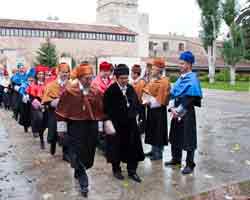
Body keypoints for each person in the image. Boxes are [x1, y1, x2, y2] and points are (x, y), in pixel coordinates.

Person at [55, 63, 103, 197]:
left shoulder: (96, 91)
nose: (89, 80)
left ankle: (79, 169)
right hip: (75, 127)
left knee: (88, 154)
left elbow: (100, 111)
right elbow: (61, 112)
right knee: (76, 152)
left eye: (91, 77)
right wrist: (61, 130)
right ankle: (84, 182)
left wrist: (100, 128)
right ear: (80, 78)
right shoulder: (70, 92)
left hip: (91, 127)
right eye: (86, 78)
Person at [103, 64, 145, 183]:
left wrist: (137, 115)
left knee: (133, 149)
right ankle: (116, 170)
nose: (125, 80)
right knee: (116, 149)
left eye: (126, 78)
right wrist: (107, 123)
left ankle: (132, 171)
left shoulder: (130, 88)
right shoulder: (110, 91)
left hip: (131, 125)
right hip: (117, 125)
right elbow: (105, 109)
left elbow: (136, 104)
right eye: (122, 78)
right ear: (116, 78)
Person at [164, 51, 203, 175]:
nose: (180, 65)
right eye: (179, 63)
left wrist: (180, 109)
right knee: (175, 135)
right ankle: (176, 159)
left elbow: (191, 98)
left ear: (189, 64)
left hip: (187, 111)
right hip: (176, 110)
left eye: (182, 63)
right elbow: (174, 94)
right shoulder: (181, 78)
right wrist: (172, 107)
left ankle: (190, 164)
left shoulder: (193, 79)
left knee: (188, 138)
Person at [143, 58, 171, 160]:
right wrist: (146, 99)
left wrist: (151, 101)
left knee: (158, 131)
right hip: (151, 109)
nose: (152, 70)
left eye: (154, 69)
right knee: (152, 129)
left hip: (159, 110)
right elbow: (147, 90)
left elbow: (162, 97)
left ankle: (158, 153)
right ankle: (153, 150)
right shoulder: (153, 79)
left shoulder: (164, 81)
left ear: (160, 70)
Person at [42, 63, 70, 157]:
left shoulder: (71, 85)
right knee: (54, 131)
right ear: (59, 72)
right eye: (63, 72)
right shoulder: (51, 85)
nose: (65, 74)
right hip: (54, 112)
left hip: (66, 113)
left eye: (67, 72)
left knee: (66, 131)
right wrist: (52, 102)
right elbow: (46, 98)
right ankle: (53, 145)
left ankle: (65, 153)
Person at [91, 61, 113, 153]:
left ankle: (106, 147)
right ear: (102, 71)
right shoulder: (95, 82)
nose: (108, 73)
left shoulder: (111, 81)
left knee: (108, 129)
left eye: (109, 71)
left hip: (109, 109)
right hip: (99, 109)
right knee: (100, 129)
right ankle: (102, 146)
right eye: (107, 71)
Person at [26, 65, 49, 149]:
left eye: (42, 74)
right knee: (39, 119)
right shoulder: (33, 85)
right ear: (36, 75)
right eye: (39, 74)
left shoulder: (47, 84)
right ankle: (41, 139)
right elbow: (31, 97)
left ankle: (41, 133)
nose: (41, 75)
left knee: (45, 123)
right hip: (36, 106)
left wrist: (46, 104)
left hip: (46, 104)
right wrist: (39, 105)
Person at [130, 64, 146, 134]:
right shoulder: (135, 82)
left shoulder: (141, 83)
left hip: (139, 107)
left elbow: (138, 97)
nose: (131, 74)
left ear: (136, 74)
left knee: (139, 127)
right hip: (138, 107)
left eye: (132, 73)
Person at [18, 68, 36, 133]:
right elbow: (21, 91)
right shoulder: (24, 84)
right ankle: (26, 126)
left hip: (33, 102)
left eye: (32, 78)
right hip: (25, 103)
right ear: (27, 78)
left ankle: (34, 128)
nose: (31, 80)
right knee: (25, 115)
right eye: (30, 78)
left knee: (33, 116)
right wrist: (24, 95)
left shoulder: (35, 84)